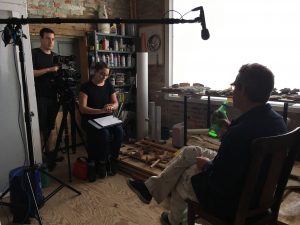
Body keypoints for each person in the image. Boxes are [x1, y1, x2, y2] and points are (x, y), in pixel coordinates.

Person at [127, 63, 287, 225]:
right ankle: (150, 189)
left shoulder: (238, 135)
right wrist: (229, 125)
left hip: (234, 201)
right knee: (191, 151)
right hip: (258, 191)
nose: (232, 91)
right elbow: (248, 142)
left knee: (186, 175)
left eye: (234, 87)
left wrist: (206, 166)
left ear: (243, 89)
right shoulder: (277, 121)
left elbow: (221, 181)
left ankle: (174, 221)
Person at [79, 61, 123, 182]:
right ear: (95, 72)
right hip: (90, 119)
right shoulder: (86, 87)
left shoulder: (108, 85)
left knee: (119, 131)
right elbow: (82, 108)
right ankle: (102, 163)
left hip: (106, 118)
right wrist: (100, 111)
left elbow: (116, 103)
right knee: (104, 134)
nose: (104, 77)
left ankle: (114, 159)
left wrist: (111, 107)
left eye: (106, 75)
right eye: (101, 74)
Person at [32, 28, 60, 166]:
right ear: (41, 39)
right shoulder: (34, 54)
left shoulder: (55, 56)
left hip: (53, 96)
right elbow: (30, 73)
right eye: (48, 38)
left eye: (53, 39)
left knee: (51, 126)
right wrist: (49, 70)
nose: (51, 41)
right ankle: (41, 155)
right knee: (41, 127)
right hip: (40, 96)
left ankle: (50, 153)